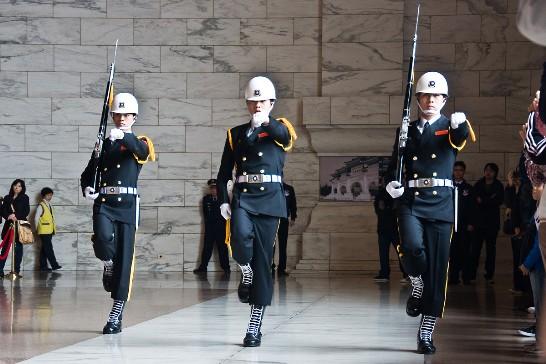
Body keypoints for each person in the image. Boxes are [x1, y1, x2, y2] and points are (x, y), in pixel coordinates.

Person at [385, 71, 473, 354]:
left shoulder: (451, 125)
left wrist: (460, 123)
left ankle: (426, 329)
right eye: (425, 95)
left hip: (441, 203)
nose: (431, 99)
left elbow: (460, 138)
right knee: (411, 247)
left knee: (438, 268)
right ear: (418, 99)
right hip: (411, 199)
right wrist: (390, 183)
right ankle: (416, 282)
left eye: (436, 95)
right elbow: (394, 163)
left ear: (444, 99)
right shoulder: (406, 129)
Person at [217, 76, 297, 347]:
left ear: (272, 103)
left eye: (262, 101)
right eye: (253, 101)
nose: (257, 105)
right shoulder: (235, 133)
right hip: (243, 197)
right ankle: (245, 269)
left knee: (264, 260)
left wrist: (266, 123)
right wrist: (222, 200)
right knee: (238, 240)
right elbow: (222, 174)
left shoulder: (280, 128)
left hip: (270, 200)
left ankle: (254, 324)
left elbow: (284, 138)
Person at [81, 93, 155, 334]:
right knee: (102, 239)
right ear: (112, 116)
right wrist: (87, 186)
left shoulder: (140, 141)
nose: (122, 118)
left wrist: (123, 136)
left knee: (126, 258)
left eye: (127, 115)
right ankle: (107, 263)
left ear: (134, 117)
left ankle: (116, 314)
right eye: (118, 114)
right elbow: (88, 172)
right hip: (104, 200)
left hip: (127, 204)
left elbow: (141, 152)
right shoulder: (103, 144)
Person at [470, 163, 504, 284]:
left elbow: (498, 201)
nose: (488, 173)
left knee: (491, 251)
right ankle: (472, 275)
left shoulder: (498, 185)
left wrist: (484, 201)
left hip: (492, 223)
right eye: (486, 170)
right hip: (479, 223)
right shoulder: (478, 185)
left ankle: (489, 275)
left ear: (495, 172)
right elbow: (474, 202)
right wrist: (489, 200)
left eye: (491, 171)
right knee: (475, 250)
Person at [193, 179, 230, 276]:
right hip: (210, 228)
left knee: (222, 249)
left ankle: (226, 268)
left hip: (221, 229)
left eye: (215, 188)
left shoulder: (224, 199)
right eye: (212, 188)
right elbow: (205, 214)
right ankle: (203, 268)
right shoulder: (206, 199)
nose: (213, 190)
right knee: (206, 249)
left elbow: (227, 214)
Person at [449, 161, 476, 285]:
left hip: (465, 225)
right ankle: (453, 277)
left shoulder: (469, 189)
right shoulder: (448, 186)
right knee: (452, 252)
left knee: (466, 251)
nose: (458, 172)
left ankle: (466, 277)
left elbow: (473, 207)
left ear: (464, 172)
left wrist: (471, 222)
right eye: (456, 170)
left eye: (460, 170)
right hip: (451, 225)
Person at [373, 178, 405, 283]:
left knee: (401, 253)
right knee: (383, 253)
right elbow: (380, 210)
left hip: (396, 229)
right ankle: (384, 274)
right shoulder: (381, 194)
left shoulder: (398, 193)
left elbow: (396, 210)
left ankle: (406, 274)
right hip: (383, 228)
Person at [0, 179, 30, 278]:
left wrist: (16, 216)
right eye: (15, 185)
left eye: (19, 186)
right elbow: (3, 210)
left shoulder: (25, 197)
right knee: (5, 249)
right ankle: (0, 270)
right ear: (12, 186)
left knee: (19, 249)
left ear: (22, 188)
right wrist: (9, 216)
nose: (17, 187)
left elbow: (26, 211)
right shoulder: (7, 198)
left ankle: (16, 270)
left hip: (19, 226)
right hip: (9, 226)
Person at [272, 182, 297, 276]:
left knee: (283, 245)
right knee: (271, 245)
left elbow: (293, 203)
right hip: (272, 219)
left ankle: (281, 269)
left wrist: (293, 217)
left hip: (284, 219)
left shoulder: (289, 188)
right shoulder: (271, 186)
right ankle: (270, 267)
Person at [34, 187, 61, 272]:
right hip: (43, 231)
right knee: (49, 248)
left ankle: (43, 267)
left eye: (51, 195)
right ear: (44, 195)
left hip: (49, 230)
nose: (50, 196)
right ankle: (54, 265)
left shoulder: (49, 205)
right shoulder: (41, 205)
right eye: (48, 195)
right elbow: (36, 218)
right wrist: (36, 229)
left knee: (44, 249)